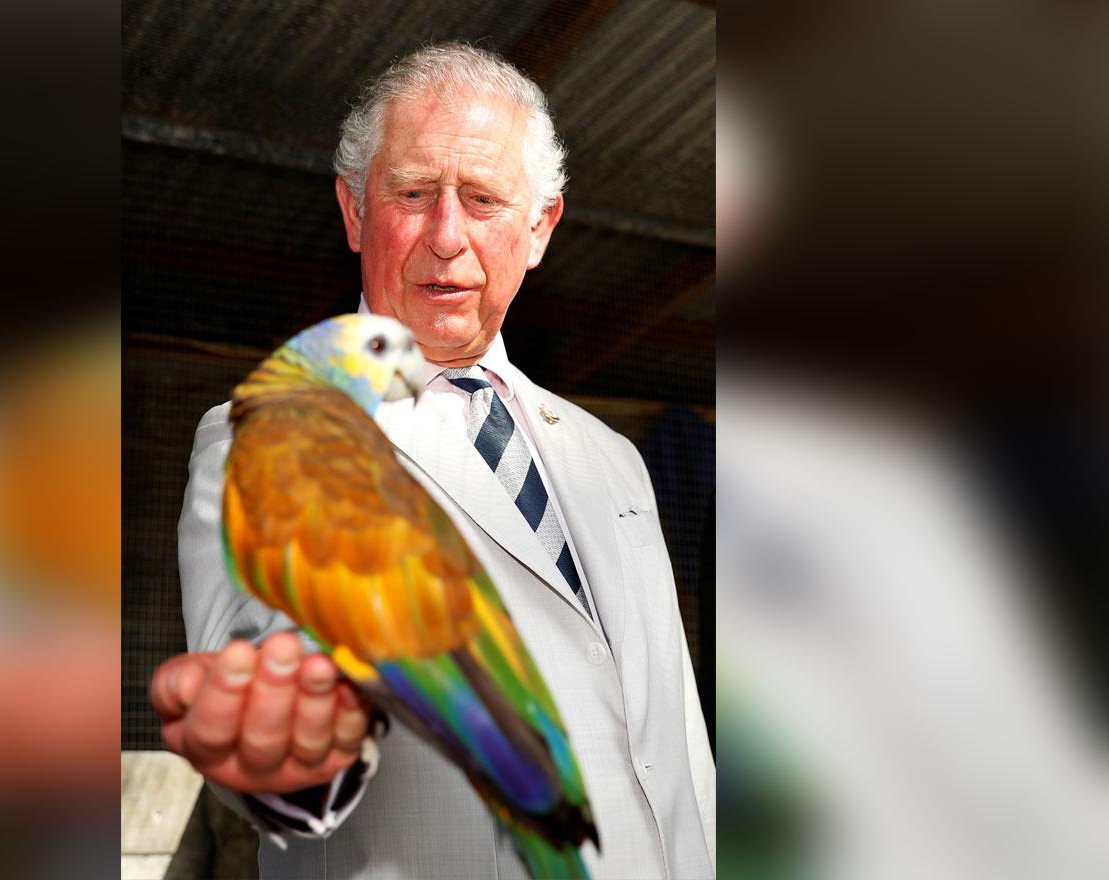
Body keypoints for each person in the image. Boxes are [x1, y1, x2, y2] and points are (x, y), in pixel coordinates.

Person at [150, 42, 715, 879]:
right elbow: (274, 691)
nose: (446, 236)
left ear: (540, 229)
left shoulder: (616, 460)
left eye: (482, 199)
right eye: (412, 194)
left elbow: (674, 743)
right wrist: (286, 748)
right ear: (352, 211)